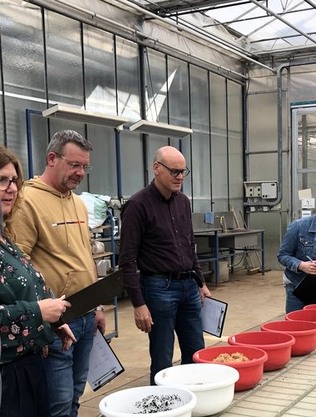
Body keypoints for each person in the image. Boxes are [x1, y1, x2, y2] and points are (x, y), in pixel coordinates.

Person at [9, 131, 97, 417]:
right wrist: (42, 317)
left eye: (84, 166)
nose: (80, 172)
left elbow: (85, 254)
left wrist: (97, 308)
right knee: (57, 402)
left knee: (75, 392)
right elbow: (18, 265)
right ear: (51, 158)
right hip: (57, 319)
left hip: (86, 313)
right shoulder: (27, 201)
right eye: (74, 165)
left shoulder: (78, 203)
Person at [119, 146, 212, 385]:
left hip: (188, 286)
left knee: (196, 350)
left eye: (183, 172)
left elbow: (189, 244)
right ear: (156, 168)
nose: (179, 177)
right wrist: (139, 304)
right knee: (162, 355)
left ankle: (194, 396)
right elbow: (127, 259)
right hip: (159, 288)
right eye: (174, 171)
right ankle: (162, 399)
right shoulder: (137, 205)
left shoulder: (183, 202)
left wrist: (200, 282)